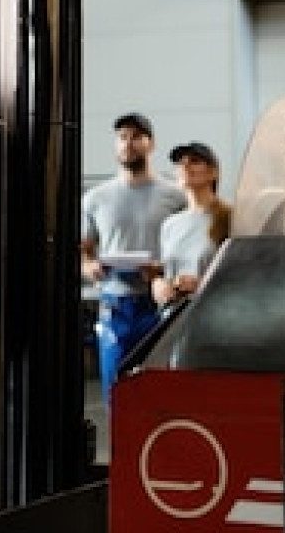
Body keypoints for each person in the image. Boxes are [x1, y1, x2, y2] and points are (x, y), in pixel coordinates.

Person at [81, 112, 186, 400]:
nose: (129, 143)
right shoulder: (96, 198)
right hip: (116, 306)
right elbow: (83, 248)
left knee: (160, 390)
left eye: (137, 137)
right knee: (117, 391)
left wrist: (163, 271)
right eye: (123, 137)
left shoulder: (175, 196)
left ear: (150, 144)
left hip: (162, 304)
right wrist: (88, 265)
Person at [152, 141, 232, 306]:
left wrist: (201, 284)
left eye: (194, 161)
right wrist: (157, 284)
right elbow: (165, 272)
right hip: (173, 318)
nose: (185, 166)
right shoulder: (170, 224)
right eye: (180, 163)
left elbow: (245, 276)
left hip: (212, 316)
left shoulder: (231, 218)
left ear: (213, 172)